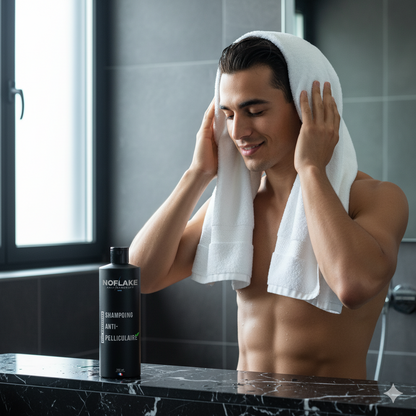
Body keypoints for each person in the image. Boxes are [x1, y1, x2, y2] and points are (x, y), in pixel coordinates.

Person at [129, 33, 408, 379]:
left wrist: (311, 168)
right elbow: (138, 277)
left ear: (310, 109)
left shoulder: (376, 197)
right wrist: (197, 174)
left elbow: (352, 285)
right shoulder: (237, 208)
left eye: (255, 111)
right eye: (228, 115)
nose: (239, 130)